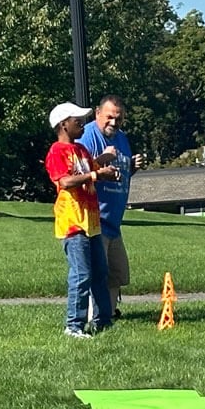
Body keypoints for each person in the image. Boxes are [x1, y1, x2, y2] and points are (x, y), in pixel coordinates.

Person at [45, 101, 120, 339]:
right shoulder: (57, 151)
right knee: (81, 274)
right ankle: (73, 325)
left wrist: (106, 169)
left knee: (100, 272)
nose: (82, 123)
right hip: (72, 222)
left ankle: (103, 320)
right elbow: (65, 181)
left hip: (91, 221)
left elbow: (91, 171)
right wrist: (97, 173)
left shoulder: (80, 151)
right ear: (63, 125)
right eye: (77, 120)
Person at [79, 95, 146, 320]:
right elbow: (78, 174)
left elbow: (119, 174)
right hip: (94, 217)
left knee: (117, 273)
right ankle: (93, 317)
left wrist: (132, 166)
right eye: (109, 117)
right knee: (97, 273)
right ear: (98, 113)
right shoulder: (87, 137)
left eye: (118, 118)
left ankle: (108, 314)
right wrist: (101, 159)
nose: (113, 123)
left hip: (114, 220)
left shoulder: (122, 139)